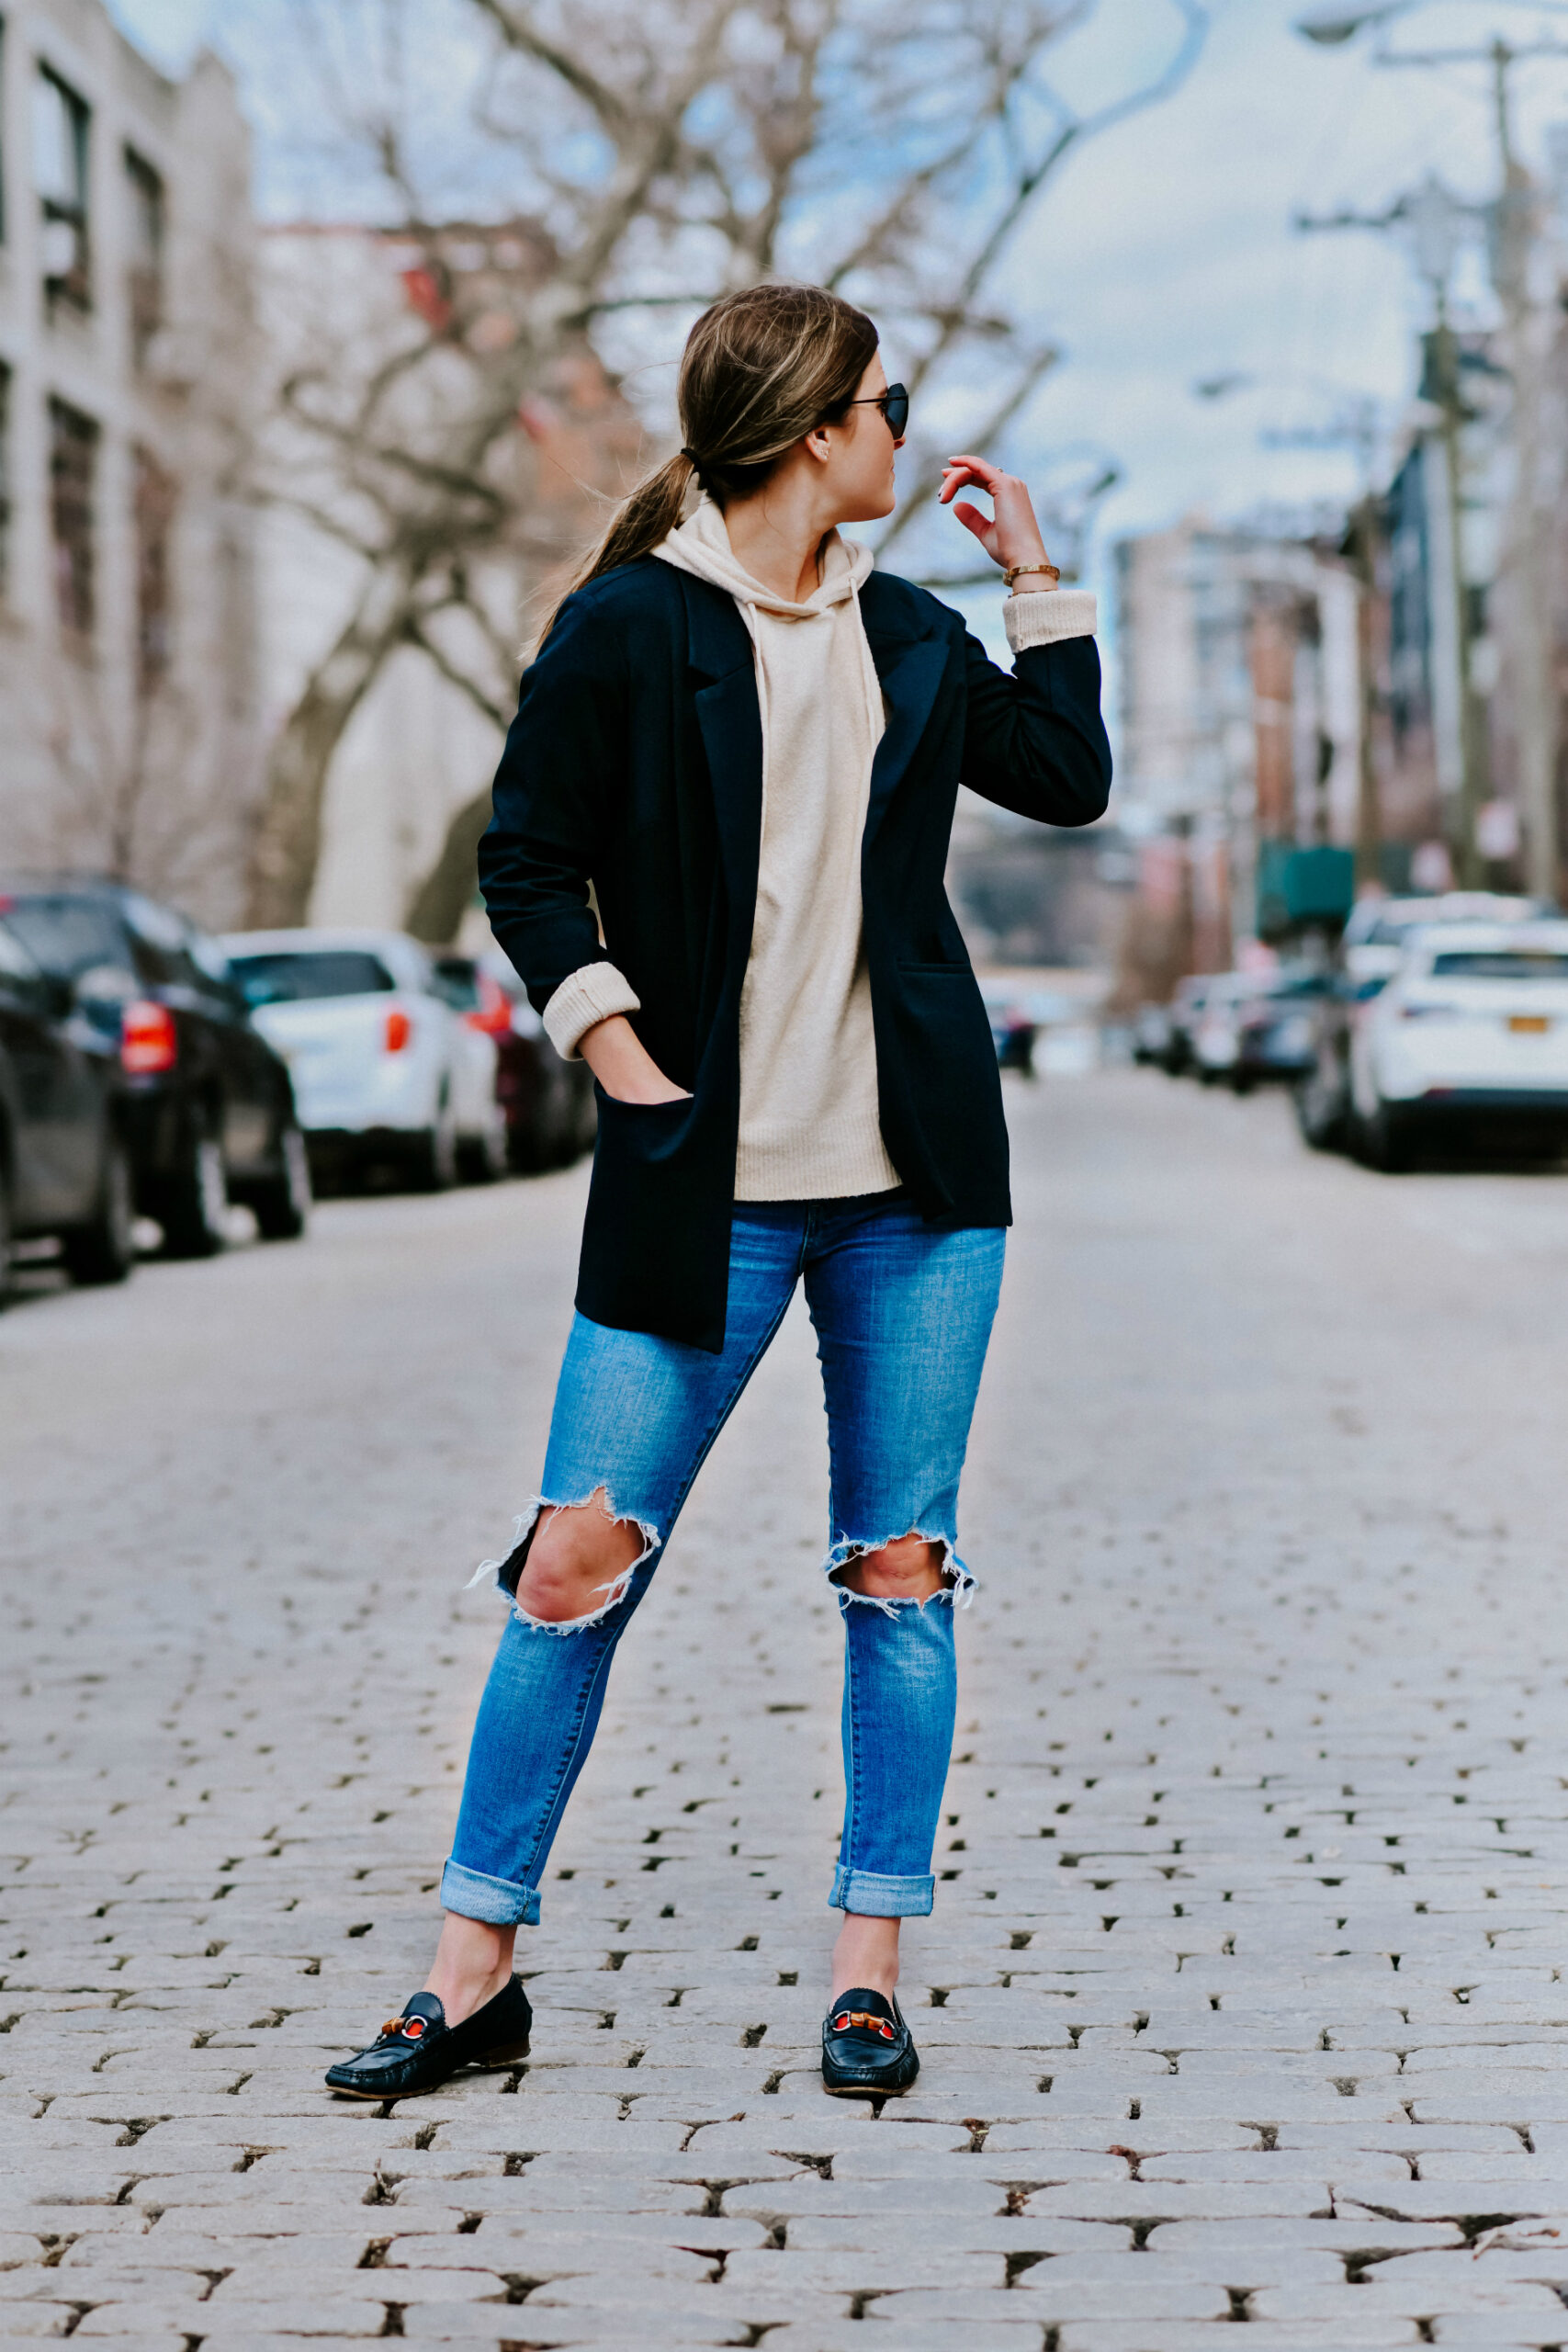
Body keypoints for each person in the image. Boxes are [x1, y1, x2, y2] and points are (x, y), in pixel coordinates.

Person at [326, 282, 1111, 2104]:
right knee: (571, 1562)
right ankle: (469, 1966)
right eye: (886, 404)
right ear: (817, 428)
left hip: (915, 1188)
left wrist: (1038, 576)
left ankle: (865, 1966)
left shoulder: (906, 633)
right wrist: (606, 1039)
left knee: (895, 1567)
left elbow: (1065, 779)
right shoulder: (629, 628)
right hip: (706, 1185)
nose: (905, 433)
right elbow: (525, 856)